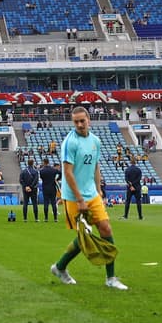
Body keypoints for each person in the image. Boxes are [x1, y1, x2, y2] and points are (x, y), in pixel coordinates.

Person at [49, 107, 127, 290]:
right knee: (85, 237)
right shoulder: (69, 143)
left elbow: (96, 166)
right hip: (74, 197)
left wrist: (99, 190)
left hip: (92, 194)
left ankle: (111, 278)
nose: (79, 124)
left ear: (88, 119)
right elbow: (67, 173)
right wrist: (80, 200)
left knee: (106, 228)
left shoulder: (95, 141)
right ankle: (60, 267)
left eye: (82, 121)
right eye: (76, 122)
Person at [38, 157, 60, 222]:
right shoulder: (53, 170)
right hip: (53, 187)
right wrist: (57, 179)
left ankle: (46, 218)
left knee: (46, 203)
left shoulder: (41, 171)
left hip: (45, 188)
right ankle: (55, 218)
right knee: (53, 203)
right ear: (48, 162)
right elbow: (60, 173)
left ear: (44, 163)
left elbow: (41, 177)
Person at [19, 158, 40, 222]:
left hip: (25, 189)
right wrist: (31, 187)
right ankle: (36, 218)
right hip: (33, 189)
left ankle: (25, 219)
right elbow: (36, 180)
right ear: (33, 163)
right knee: (35, 204)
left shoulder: (23, 171)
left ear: (27, 163)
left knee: (25, 203)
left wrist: (26, 187)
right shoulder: (35, 171)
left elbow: (20, 180)